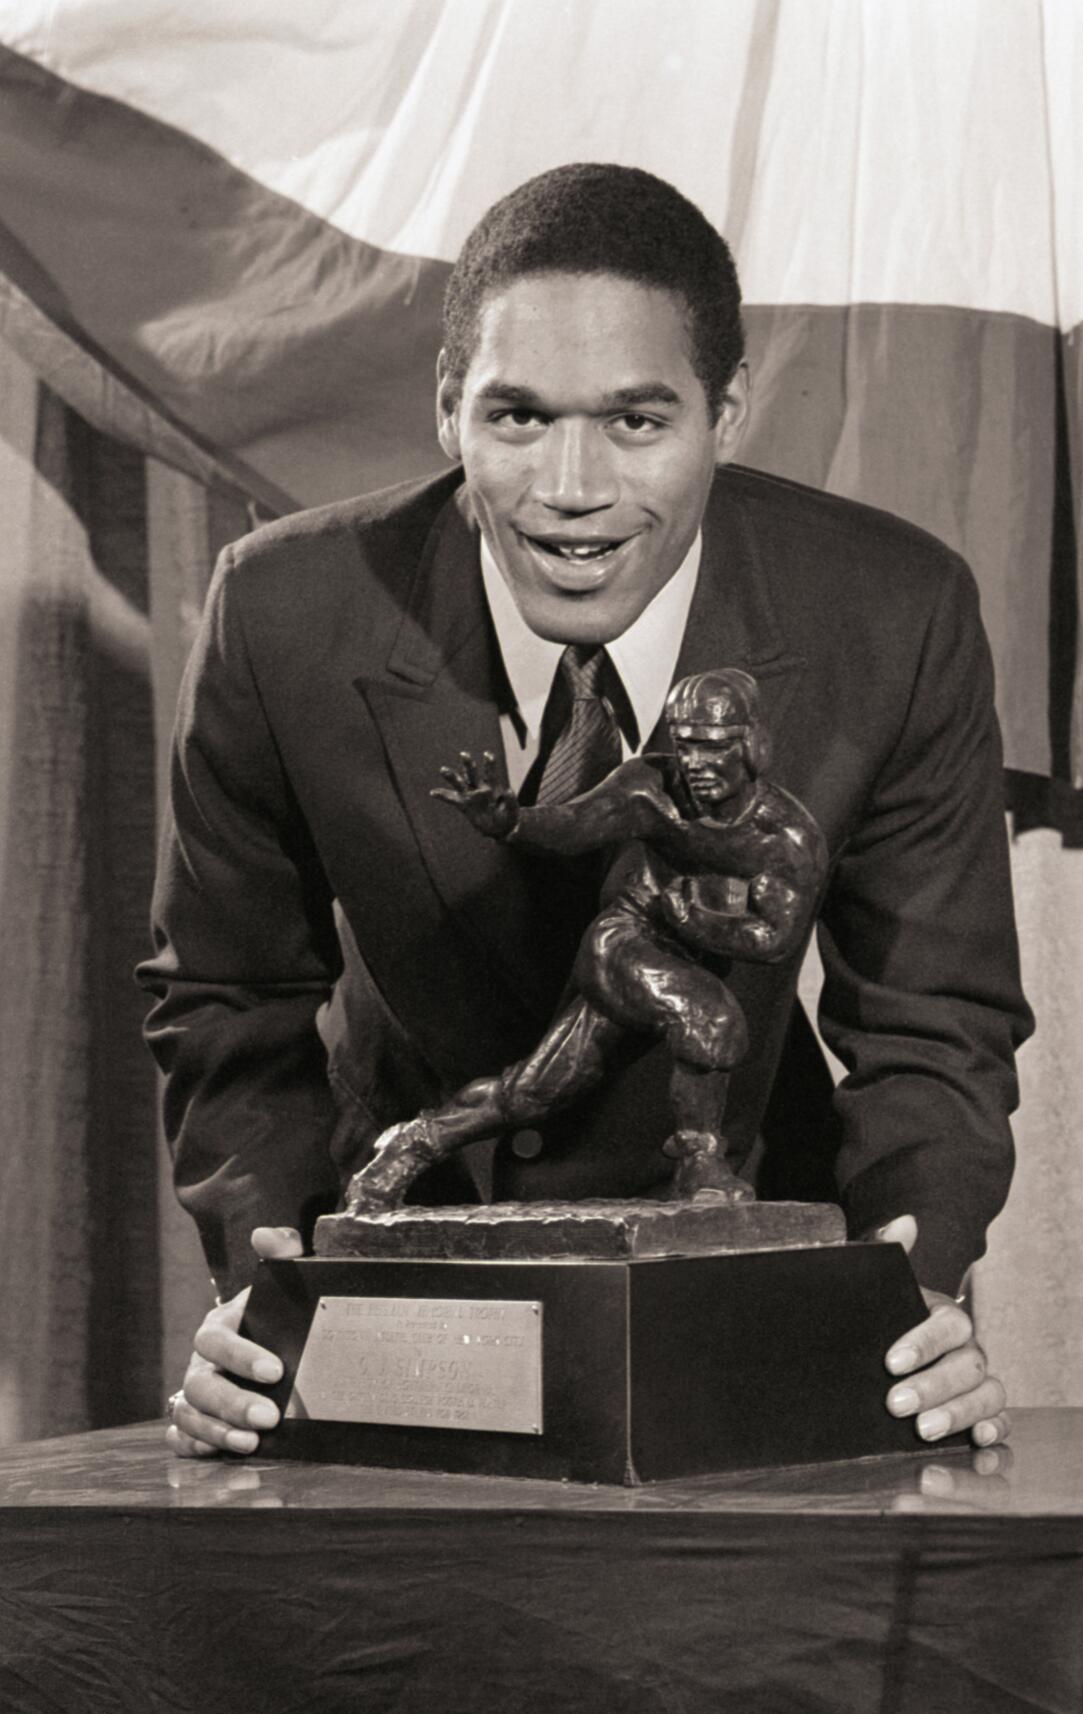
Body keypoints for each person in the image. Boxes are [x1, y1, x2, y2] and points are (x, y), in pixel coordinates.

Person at [141, 162, 1031, 1461]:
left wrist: (913, 1284)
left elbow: (935, 1015)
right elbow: (225, 990)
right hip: (400, 1286)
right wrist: (265, 1272)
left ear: (725, 411)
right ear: (448, 409)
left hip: (746, 1273)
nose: (572, 485)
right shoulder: (280, 613)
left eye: (634, 421)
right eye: (518, 417)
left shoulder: (893, 614)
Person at [346, 667, 829, 1213]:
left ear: (752, 746)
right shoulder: (649, 788)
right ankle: (702, 1166)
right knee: (710, 1016)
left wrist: (696, 923)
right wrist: (513, 824)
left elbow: (773, 939)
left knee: (536, 1092)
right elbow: (575, 823)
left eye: (714, 747)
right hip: (623, 939)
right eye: (686, 745)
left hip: (675, 947)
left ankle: (412, 1143)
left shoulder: (785, 838)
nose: (696, 764)